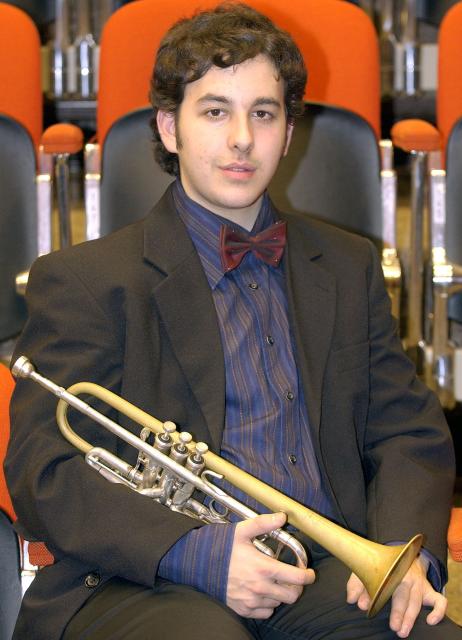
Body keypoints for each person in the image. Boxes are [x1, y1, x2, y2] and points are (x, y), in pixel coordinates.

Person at [5, 3, 461, 639]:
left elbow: (405, 429)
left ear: (288, 132)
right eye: (216, 112)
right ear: (170, 128)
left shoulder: (346, 265)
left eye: (264, 114)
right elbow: (45, 469)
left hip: (323, 572)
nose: (243, 138)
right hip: (142, 577)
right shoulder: (85, 279)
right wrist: (193, 552)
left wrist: (404, 554)